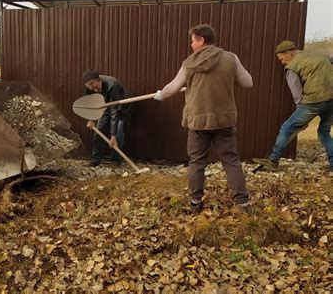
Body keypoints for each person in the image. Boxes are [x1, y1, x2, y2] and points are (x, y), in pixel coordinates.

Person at [154, 24, 253, 213]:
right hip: (225, 120)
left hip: (198, 121)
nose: (191, 45)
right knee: (231, 161)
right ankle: (242, 203)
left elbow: (172, 88)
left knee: (197, 162)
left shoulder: (189, 63)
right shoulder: (231, 58)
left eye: (192, 40)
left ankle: (195, 202)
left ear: (201, 40)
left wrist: (160, 94)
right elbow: (247, 82)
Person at [253, 40, 333, 172]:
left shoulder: (292, 67)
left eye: (282, 58)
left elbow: (297, 94)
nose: (282, 62)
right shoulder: (318, 55)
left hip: (313, 101)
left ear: (289, 53)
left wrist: (302, 115)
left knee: (286, 128)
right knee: (324, 133)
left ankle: (273, 160)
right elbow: (331, 59)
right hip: (331, 100)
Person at [82, 69, 131, 167]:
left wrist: (113, 136)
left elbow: (114, 111)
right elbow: (89, 103)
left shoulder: (113, 84)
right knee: (98, 132)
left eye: (93, 84)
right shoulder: (89, 87)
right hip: (105, 106)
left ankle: (115, 161)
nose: (92, 88)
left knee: (118, 133)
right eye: (89, 86)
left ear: (99, 79)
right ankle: (95, 161)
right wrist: (90, 119)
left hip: (120, 107)